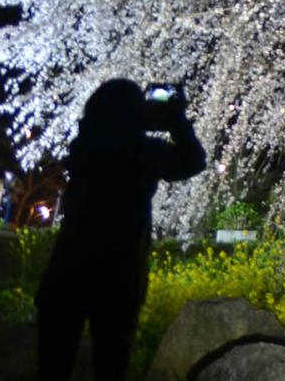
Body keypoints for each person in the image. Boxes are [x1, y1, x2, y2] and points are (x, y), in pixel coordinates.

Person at [37, 80, 205, 380]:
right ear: (135, 113)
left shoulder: (84, 147)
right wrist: (175, 121)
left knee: (53, 366)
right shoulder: (142, 152)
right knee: (111, 366)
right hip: (118, 277)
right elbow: (194, 161)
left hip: (66, 272)